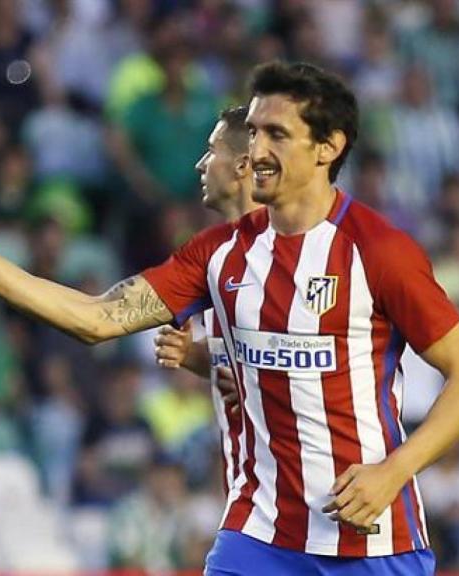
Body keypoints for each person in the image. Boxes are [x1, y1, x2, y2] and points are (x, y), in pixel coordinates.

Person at [0, 61, 459, 574]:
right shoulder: (217, 255)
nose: (257, 150)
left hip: (372, 541)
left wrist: (393, 471)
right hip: (257, 536)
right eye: (253, 133)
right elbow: (96, 319)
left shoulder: (379, 251)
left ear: (328, 146)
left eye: (277, 134)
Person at [153, 104, 261, 494]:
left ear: (243, 165)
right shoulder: (211, 256)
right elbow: (95, 319)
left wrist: (262, 383)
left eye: (212, 150)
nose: (200, 164)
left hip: (324, 502)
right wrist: (193, 355)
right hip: (249, 500)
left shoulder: (310, 254)